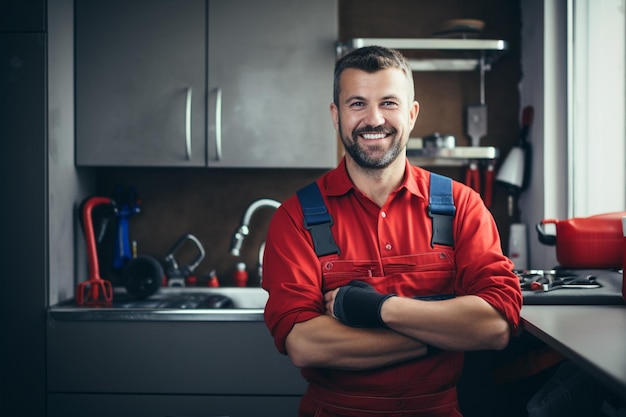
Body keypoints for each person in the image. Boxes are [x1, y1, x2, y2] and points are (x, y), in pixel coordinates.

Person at [262, 45, 522, 417]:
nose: (373, 119)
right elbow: (306, 344)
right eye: (357, 104)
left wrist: (381, 309)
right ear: (335, 116)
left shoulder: (463, 205)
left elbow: (495, 326)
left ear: (412, 114)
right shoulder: (294, 218)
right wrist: (440, 334)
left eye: (389, 103)